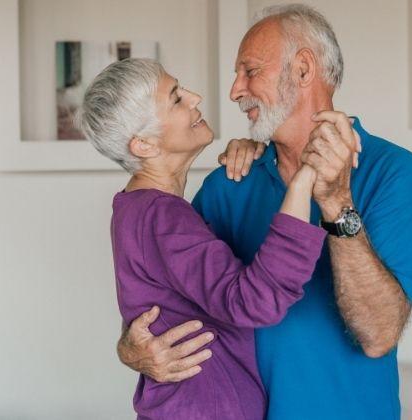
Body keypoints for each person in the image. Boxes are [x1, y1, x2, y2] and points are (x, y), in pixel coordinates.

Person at [117, 4, 412, 419]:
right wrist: (131, 349)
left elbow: (378, 335)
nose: (234, 91)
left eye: (249, 71)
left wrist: (336, 202)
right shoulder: (229, 183)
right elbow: (169, 292)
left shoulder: (393, 170)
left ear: (302, 70)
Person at [78, 57, 330, 419]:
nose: (195, 98)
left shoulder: (135, 210)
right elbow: (254, 301)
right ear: (144, 145)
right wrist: (304, 178)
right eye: (177, 98)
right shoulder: (162, 217)